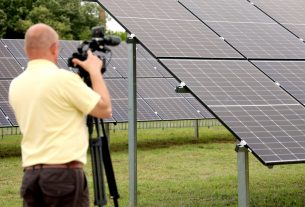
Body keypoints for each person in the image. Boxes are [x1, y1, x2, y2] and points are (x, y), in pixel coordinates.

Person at [8, 23, 112, 207]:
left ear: (26, 49)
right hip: (63, 176)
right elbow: (104, 109)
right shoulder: (63, 79)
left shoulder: (16, 84)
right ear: (54, 48)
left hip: (31, 177)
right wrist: (95, 71)